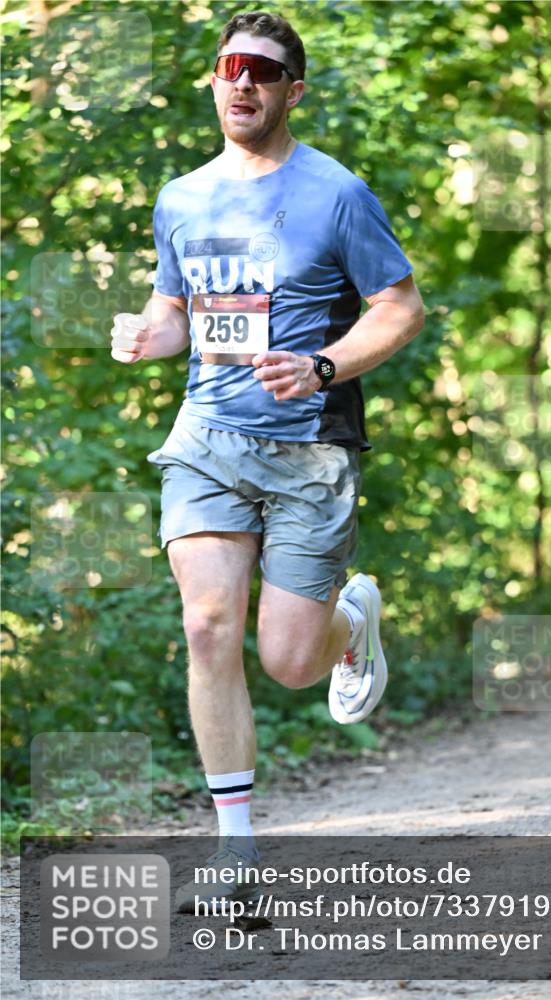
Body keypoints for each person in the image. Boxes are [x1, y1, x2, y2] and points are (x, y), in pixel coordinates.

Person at [110, 11, 424, 909]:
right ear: (212, 82)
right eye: (228, 67)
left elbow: (399, 310)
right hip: (206, 439)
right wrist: (147, 334)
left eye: (263, 70)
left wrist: (323, 364)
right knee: (208, 626)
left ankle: (349, 619)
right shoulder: (182, 197)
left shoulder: (335, 193)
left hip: (309, 450)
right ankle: (236, 851)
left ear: (292, 90)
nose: (242, 81)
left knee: (288, 662)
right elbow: (176, 312)